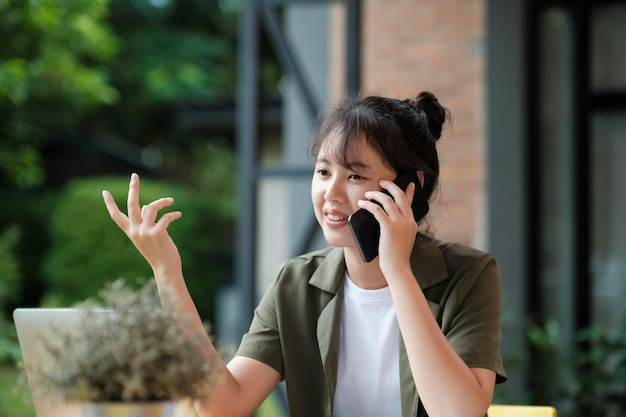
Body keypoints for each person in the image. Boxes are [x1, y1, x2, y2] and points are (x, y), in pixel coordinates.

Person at [102, 91, 507, 417]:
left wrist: (397, 269)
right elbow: (220, 407)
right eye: (323, 171)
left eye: (355, 176)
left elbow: (459, 412)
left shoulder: (469, 275)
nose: (330, 194)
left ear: (408, 188)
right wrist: (166, 271)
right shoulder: (295, 283)